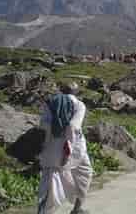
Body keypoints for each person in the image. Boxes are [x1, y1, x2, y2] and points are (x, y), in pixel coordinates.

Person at [38, 82, 93, 214]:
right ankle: (77, 208)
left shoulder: (50, 103)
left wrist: (46, 142)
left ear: (62, 90)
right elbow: (74, 126)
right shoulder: (79, 105)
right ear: (76, 92)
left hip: (52, 146)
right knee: (85, 173)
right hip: (74, 147)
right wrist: (68, 147)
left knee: (51, 180)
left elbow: (44, 124)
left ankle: (44, 211)